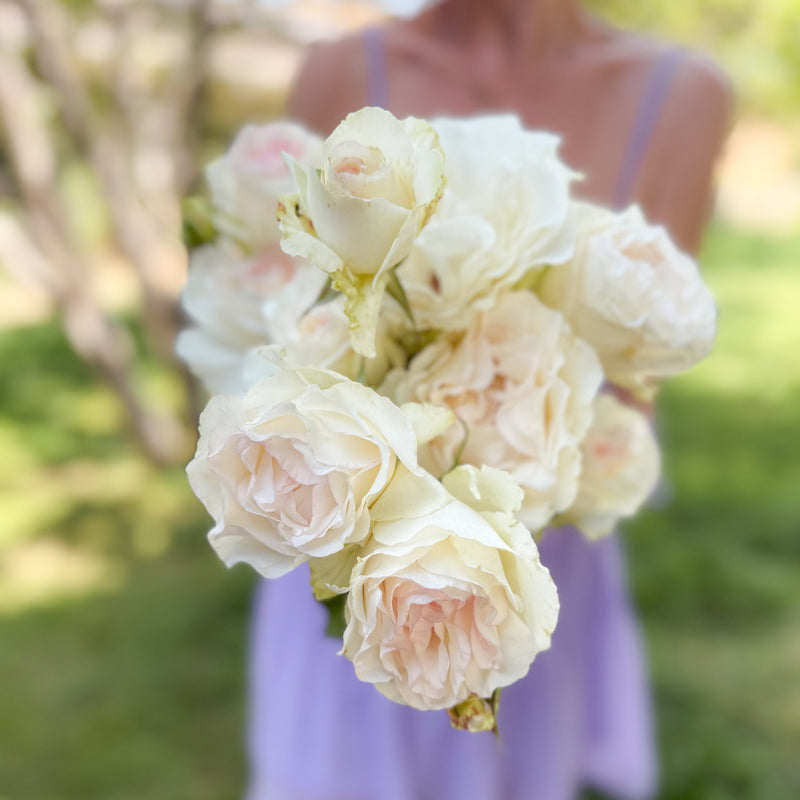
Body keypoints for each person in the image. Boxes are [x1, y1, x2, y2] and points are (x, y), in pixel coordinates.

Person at [245, 2, 733, 798]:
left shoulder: (681, 98)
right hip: (346, 560)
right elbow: (282, 332)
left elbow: (638, 389)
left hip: (532, 581)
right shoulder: (339, 75)